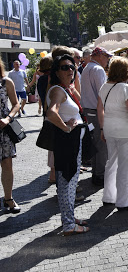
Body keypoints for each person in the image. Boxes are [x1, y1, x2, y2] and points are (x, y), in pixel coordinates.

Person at [46, 54, 89, 235]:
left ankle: (69, 217)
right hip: (66, 142)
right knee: (66, 182)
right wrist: (66, 128)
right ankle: (69, 224)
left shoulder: (65, 88)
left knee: (70, 181)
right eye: (65, 67)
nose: (70, 70)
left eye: (72, 67)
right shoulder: (57, 90)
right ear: (57, 71)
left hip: (71, 141)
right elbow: (51, 113)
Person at [98, 57, 128, 211]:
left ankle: (108, 196)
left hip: (109, 128)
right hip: (125, 130)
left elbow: (100, 110)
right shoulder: (126, 88)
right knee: (125, 166)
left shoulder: (104, 87)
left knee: (111, 163)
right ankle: (123, 201)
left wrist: (102, 128)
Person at [81, 47, 112, 186]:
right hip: (96, 110)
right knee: (101, 143)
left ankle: (96, 172)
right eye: (106, 57)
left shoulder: (88, 67)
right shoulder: (97, 69)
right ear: (100, 56)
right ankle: (100, 175)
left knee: (95, 142)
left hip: (89, 111)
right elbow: (103, 92)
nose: (108, 60)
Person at [0, 58, 21, 213]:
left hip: (4, 129)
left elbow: (16, 104)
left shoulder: (5, 82)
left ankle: (8, 199)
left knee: (7, 164)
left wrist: (8, 118)